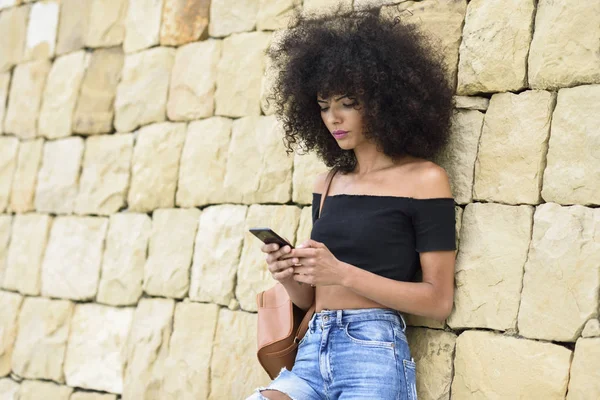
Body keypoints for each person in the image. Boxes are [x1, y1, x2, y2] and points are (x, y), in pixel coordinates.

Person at [248, 6, 456, 400]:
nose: (334, 118)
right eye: (324, 106)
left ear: (383, 100)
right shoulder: (327, 184)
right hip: (310, 353)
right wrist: (289, 273)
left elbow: (437, 300)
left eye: (347, 103)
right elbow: (311, 298)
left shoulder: (425, 180)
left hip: (372, 353)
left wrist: (341, 272)